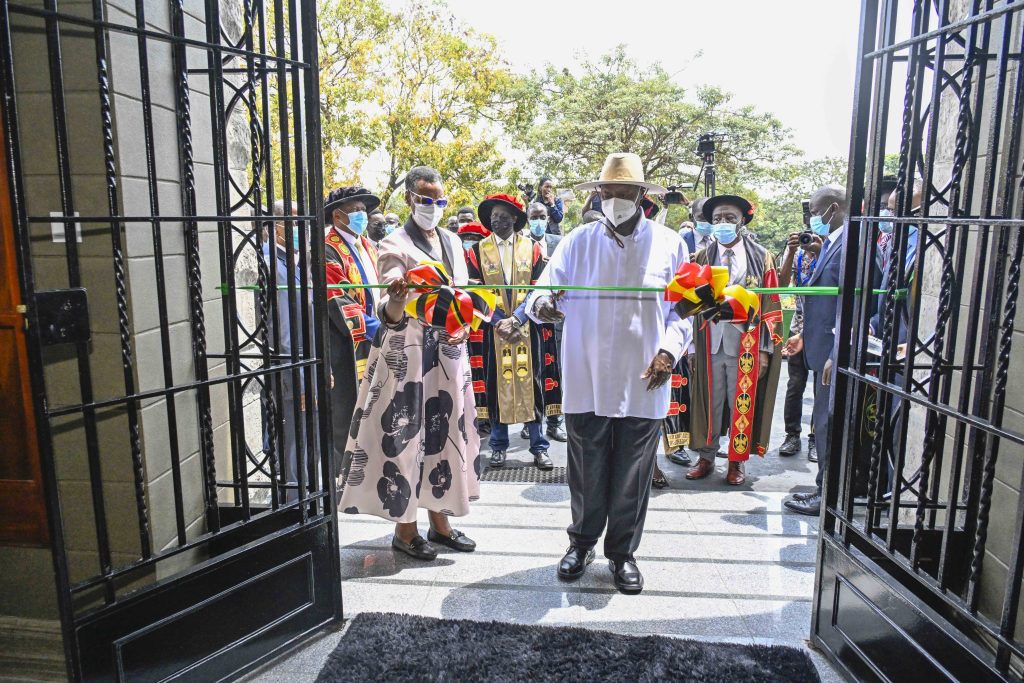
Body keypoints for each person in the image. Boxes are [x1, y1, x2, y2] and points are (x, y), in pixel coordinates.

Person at [527, 152, 692, 594]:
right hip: (588, 376)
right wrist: (544, 305)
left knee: (633, 473)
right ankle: (581, 544)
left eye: (625, 193)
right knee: (586, 469)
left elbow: (686, 312)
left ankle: (623, 554)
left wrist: (669, 351)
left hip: (646, 377)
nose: (616, 199)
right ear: (598, 194)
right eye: (609, 192)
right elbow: (541, 293)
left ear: (642, 196)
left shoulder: (670, 243)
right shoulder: (578, 240)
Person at [339, 166, 480, 560]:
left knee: (446, 433)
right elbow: (389, 308)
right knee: (407, 438)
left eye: (440, 200)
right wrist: (399, 297)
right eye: (425, 199)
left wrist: (465, 324)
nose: (433, 207)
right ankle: (405, 530)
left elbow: (464, 296)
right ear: (409, 199)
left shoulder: (453, 241)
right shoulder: (393, 243)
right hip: (410, 356)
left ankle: (441, 523)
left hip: (448, 353)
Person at [685, 194, 784, 486]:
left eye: (729, 218)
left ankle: (736, 462)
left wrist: (765, 349)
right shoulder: (702, 257)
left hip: (747, 343)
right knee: (709, 402)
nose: (723, 224)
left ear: (742, 221)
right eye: (717, 219)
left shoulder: (762, 256)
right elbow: (692, 304)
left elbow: (771, 305)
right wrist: (691, 346)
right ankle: (706, 457)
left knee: (740, 401)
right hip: (709, 342)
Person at [466, 194, 560, 471]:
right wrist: (499, 322)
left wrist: (517, 319)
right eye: (493, 216)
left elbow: (538, 287)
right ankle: (497, 446)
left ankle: (539, 447)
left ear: (515, 219)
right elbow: (475, 289)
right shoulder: (476, 251)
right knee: (497, 386)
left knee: (534, 386)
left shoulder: (531, 249)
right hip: (494, 331)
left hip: (527, 328)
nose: (497, 220)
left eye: (503, 216)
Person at [783, 185, 857, 516]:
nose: (812, 218)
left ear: (833, 208)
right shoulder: (835, 241)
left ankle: (827, 495)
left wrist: (836, 350)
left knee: (828, 422)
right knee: (824, 421)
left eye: (815, 211)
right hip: (819, 344)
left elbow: (853, 301)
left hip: (833, 351)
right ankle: (824, 488)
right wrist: (801, 335)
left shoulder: (850, 244)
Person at [324, 186, 382, 493]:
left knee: (371, 407)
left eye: (364, 210)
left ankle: (365, 472)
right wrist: (376, 329)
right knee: (345, 409)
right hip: (343, 343)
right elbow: (337, 299)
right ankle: (342, 481)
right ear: (338, 215)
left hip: (373, 339)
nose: (364, 216)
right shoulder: (326, 247)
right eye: (357, 210)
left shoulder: (367, 245)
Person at [261, 200, 310, 502]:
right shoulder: (269, 262)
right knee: (291, 442)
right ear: (276, 225)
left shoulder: (297, 261)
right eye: (292, 222)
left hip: (306, 361)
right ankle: (294, 505)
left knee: (303, 442)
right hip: (289, 365)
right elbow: (280, 330)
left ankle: (303, 498)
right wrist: (299, 374)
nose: (299, 228)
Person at [661, 197, 711, 471]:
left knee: (690, 394)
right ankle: (671, 446)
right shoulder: (680, 242)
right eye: (700, 215)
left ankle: (690, 444)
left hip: (705, 330)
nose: (707, 221)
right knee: (670, 391)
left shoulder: (717, 248)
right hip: (676, 325)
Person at [775, 208, 825, 462]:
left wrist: (819, 250)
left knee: (820, 386)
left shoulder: (828, 251)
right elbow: (782, 285)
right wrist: (792, 250)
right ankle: (791, 434)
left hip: (822, 330)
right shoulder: (796, 255)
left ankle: (816, 438)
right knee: (795, 384)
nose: (809, 239)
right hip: (799, 326)